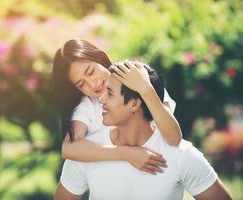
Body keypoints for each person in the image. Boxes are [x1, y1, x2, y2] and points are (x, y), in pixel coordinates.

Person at [54, 62, 232, 200]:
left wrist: (145, 89)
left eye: (109, 93)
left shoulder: (181, 155)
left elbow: (171, 132)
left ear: (134, 104)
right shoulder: (87, 152)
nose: (100, 99)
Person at [53, 39, 182, 173]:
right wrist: (127, 154)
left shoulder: (140, 77)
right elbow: (68, 148)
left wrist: (144, 88)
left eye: (91, 72)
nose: (92, 84)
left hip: (163, 173)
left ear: (99, 58)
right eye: (81, 84)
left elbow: (174, 138)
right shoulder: (88, 106)